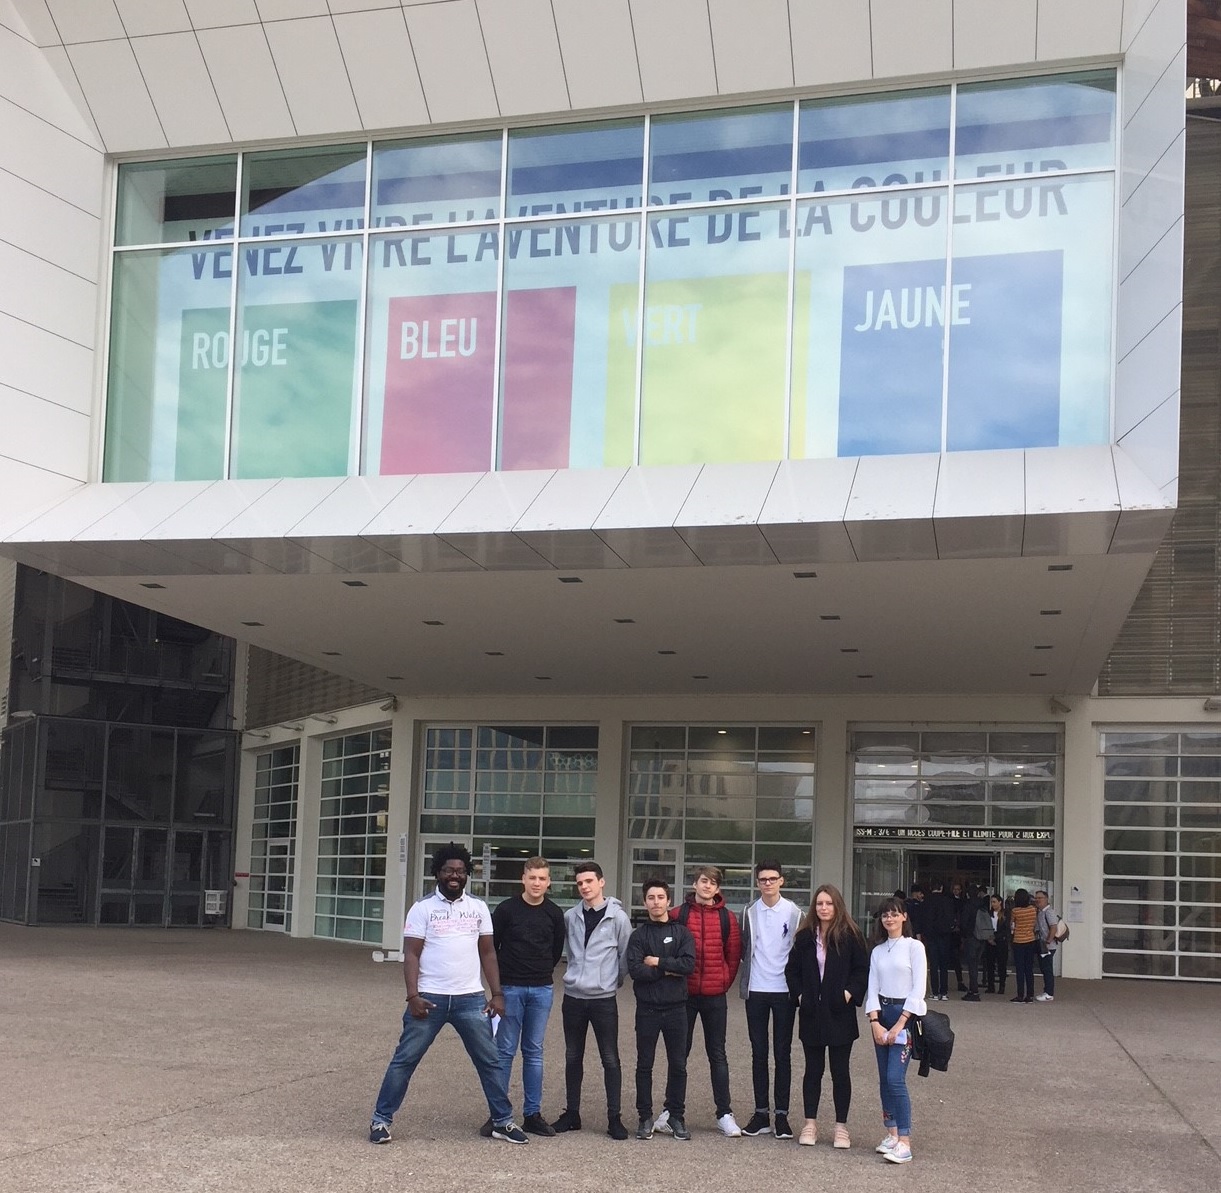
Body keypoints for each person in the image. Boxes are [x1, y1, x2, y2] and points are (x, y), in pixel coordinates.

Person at [369, 842, 527, 1146]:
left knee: (490, 1062)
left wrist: (497, 994)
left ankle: (503, 1122)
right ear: (437, 873)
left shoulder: (478, 908)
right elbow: (411, 954)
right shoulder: (423, 908)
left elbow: (488, 954)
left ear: (467, 874)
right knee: (404, 1061)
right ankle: (381, 1120)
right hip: (429, 1000)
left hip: (470, 999)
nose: (454, 875)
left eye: (460, 871)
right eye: (448, 870)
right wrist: (412, 996)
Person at [654, 865, 742, 1138]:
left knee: (718, 1054)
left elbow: (733, 955)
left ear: (718, 888)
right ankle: (671, 1110)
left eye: (713, 883)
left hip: (715, 996)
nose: (707, 886)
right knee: (679, 1054)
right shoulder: (679, 914)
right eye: (704, 881)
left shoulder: (728, 918)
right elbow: (668, 949)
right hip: (684, 995)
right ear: (695, 884)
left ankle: (724, 1113)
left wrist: (722, 982)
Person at [483, 856, 566, 1137]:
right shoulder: (506, 910)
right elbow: (491, 949)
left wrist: (540, 972)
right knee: (504, 1051)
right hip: (510, 989)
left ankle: (532, 1113)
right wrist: (497, 990)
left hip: (541, 989)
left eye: (542, 879)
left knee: (534, 1052)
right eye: (532, 878)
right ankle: (499, 1114)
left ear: (549, 882)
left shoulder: (554, 913)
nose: (537, 883)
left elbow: (555, 951)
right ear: (523, 879)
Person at [552, 860, 632, 1140]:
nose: (584, 887)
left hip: (602, 1000)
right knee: (573, 1056)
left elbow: (624, 957)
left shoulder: (618, 918)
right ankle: (572, 1113)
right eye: (580, 883)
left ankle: (614, 1118)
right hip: (573, 998)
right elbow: (569, 954)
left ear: (601, 882)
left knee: (610, 1058)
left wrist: (610, 982)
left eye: (589, 881)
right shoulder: (570, 917)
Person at [785, 884, 869, 1150]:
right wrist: (799, 996)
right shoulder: (804, 936)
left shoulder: (851, 935)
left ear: (837, 906)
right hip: (812, 1013)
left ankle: (841, 1127)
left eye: (829, 903)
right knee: (812, 1071)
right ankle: (810, 1123)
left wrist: (847, 995)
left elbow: (861, 971)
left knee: (840, 1071)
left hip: (839, 1013)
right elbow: (792, 971)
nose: (823, 908)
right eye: (819, 903)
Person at [627, 878, 697, 1141]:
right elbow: (636, 971)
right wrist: (669, 969)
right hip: (647, 1010)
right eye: (651, 898)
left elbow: (688, 965)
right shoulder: (639, 936)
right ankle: (645, 1117)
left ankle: (676, 1116)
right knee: (645, 1064)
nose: (656, 902)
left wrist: (657, 962)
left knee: (678, 1065)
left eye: (660, 897)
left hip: (677, 1010)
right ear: (645, 902)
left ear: (669, 901)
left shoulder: (682, 933)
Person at [738, 860, 802, 1139]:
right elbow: (743, 949)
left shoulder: (795, 913)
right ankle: (761, 1113)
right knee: (758, 1052)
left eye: (772, 878)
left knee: (783, 1053)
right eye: (762, 879)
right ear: (757, 883)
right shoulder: (748, 912)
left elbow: (801, 952)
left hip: (784, 990)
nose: (767, 883)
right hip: (756, 989)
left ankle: (782, 1116)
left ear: (781, 881)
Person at [864, 896, 928, 1165]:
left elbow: (918, 988)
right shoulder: (878, 951)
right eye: (884, 915)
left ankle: (905, 1140)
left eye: (894, 914)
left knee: (895, 1078)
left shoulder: (915, 947)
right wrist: (875, 1022)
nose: (889, 919)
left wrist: (901, 1022)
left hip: (905, 1016)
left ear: (904, 917)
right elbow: (872, 987)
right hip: (882, 1013)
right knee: (883, 1079)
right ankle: (891, 1132)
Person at [923, 881, 956, 1001]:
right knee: (944, 964)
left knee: (933, 964)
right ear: (941, 887)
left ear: (931, 888)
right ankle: (944, 992)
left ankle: (935, 993)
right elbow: (952, 918)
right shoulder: (948, 901)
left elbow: (925, 919)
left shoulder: (927, 901)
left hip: (931, 935)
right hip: (945, 935)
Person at [1009, 888, 1038, 1003]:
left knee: (1020, 969)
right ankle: (1030, 995)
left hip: (1018, 941)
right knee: (1029, 969)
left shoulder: (1015, 911)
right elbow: (1034, 924)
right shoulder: (1033, 909)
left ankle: (1020, 995)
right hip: (1030, 940)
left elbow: (1012, 926)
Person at [960, 884, 989, 1001]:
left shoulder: (968, 906)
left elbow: (963, 922)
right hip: (982, 937)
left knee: (972, 965)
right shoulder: (983, 905)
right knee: (976, 963)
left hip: (971, 937)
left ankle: (973, 990)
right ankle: (974, 989)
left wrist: (964, 935)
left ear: (967, 894)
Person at [1033, 890, 1061, 1002]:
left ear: (1046, 899)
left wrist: (1048, 941)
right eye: (1036, 898)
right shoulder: (1040, 912)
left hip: (1048, 946)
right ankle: (1047, 991)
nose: (1038, 900)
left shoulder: (1049, 912)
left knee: (1047, 969)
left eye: (1040, 898)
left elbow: (1053, 927)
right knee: (1044, 968)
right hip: (1042, 944)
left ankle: (1049, 993)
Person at [983, 893, 1009, 994]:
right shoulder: (989, 913)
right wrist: (989, 938)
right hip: (990, 941)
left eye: (994, 902)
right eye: (991, 902)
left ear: (1000, 902)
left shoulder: (1005, 914)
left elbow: (1006, 929)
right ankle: (991, 986)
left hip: (1001, 942)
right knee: (990, 965)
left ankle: (1002, 986)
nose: (993, 904)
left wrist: (995, 937)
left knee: (1002, 965)